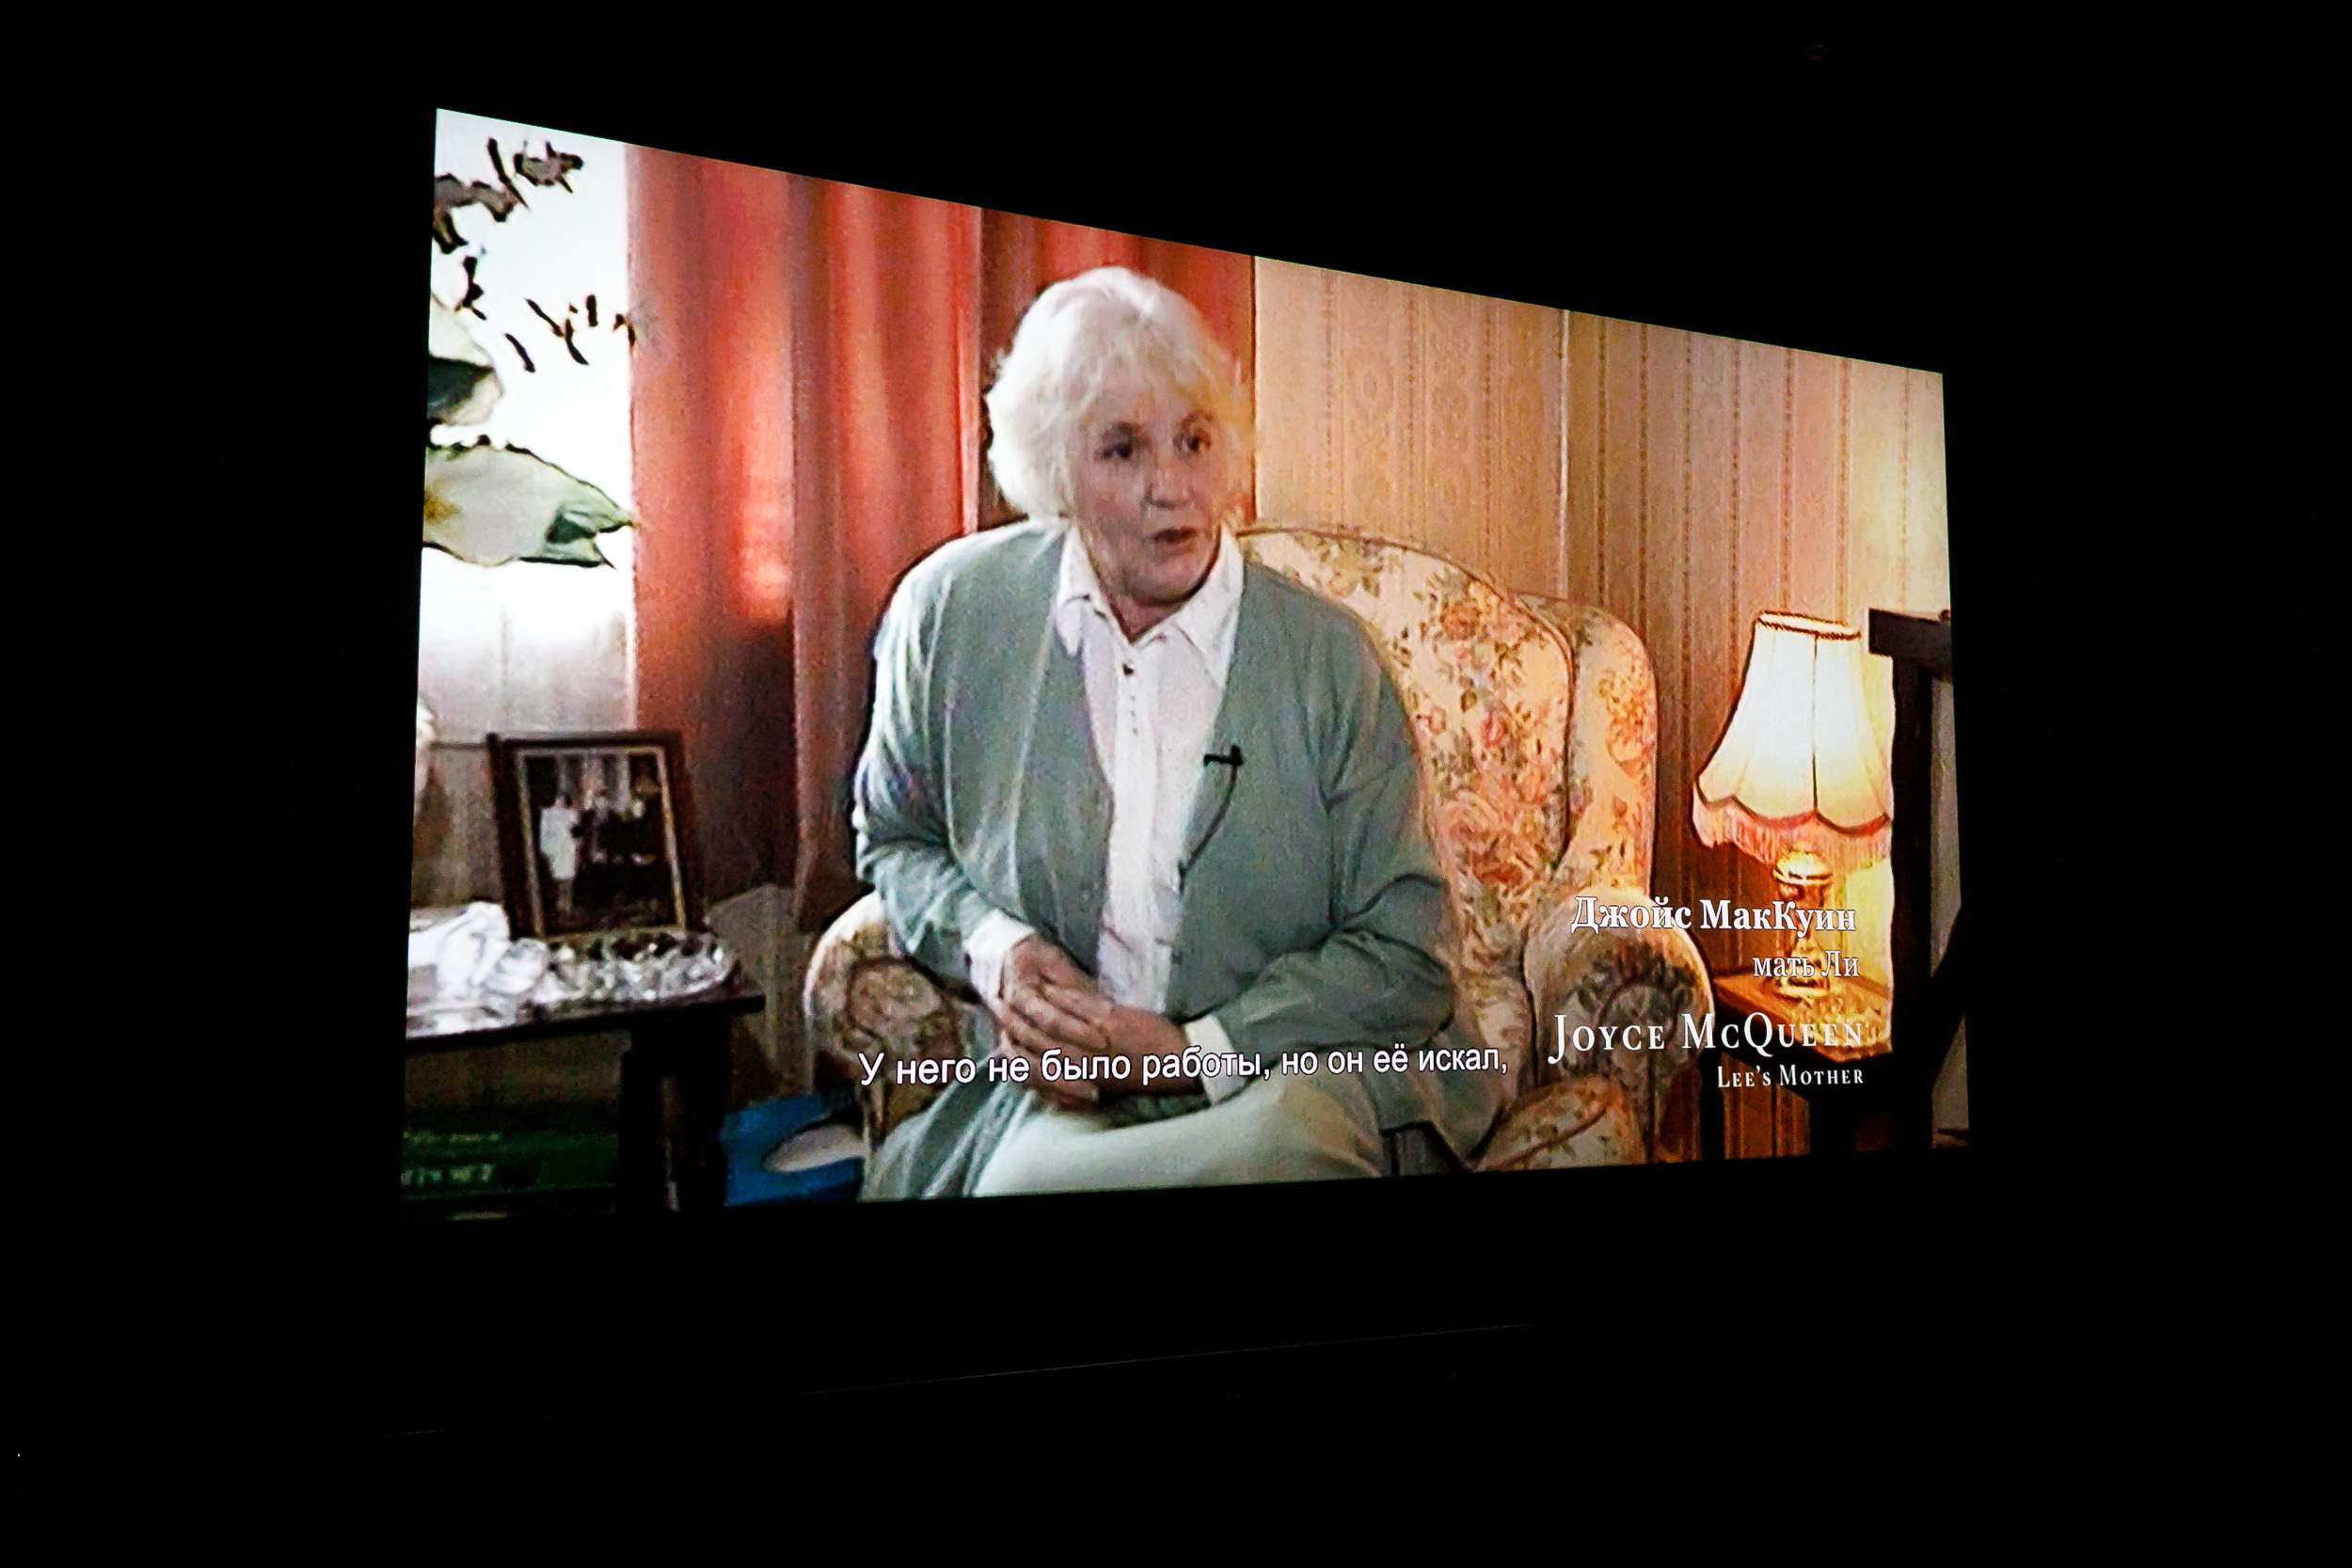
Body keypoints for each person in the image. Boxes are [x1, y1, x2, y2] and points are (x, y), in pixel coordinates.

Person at [854, 266, 1504, 1200]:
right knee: (1018, 1188)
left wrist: (1190, 1050)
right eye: (1122, 449)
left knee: (1281, 1156)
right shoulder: (951, 614)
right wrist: (996, 947)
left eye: (1195, 440)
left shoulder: (1330, 659)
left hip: (1292, 1070)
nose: (1173, 487)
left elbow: (1409, 953)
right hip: (1068, 1096)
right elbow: (896, 837)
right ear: (1054, 471)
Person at [536, 790, 581, 927]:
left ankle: (565, 910)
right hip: (558, 851)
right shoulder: (549, 814)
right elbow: (544, 834)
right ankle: (562, 911)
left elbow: (576, 832)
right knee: (561, 883)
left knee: (565, 882)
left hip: (564, 851)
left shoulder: (567, 814)